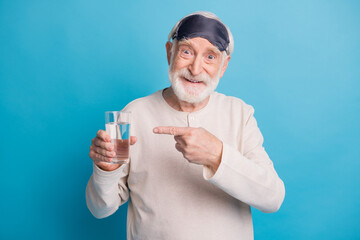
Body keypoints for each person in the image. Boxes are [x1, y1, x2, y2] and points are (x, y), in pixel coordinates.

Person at [86, 11, 285, 240]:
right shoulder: (133, 114)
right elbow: (100, 208)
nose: (196, 68)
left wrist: (217, 155)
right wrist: (106, 171)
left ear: (224, 65)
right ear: (170, 52)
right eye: (187, 51)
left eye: (210, 56)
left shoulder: (240, 114)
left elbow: (273, 198)